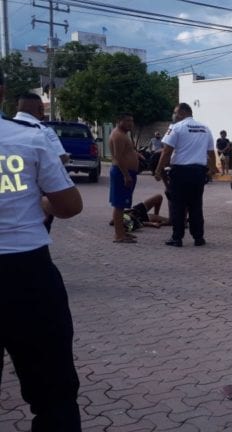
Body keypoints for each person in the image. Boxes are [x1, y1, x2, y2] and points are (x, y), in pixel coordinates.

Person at [1, 65, 85, 431]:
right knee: (53, 394)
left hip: (28, 272)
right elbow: (69, 206)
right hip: (27, 275)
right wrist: (42, 203)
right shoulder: (28, 138)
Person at [154, 102, 216, 247]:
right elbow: (211, 153)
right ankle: (198, 238)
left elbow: (166, 151)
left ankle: (177, 238)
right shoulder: (205, 128)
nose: (174, 115)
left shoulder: (176, 128)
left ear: (181, 113)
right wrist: (212, 169)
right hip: (198, 173)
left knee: (178, 206)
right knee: (196, 206)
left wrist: (158, 170)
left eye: (175, 112)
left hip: (180, 172)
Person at [15, 92, 70, 232]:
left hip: (11, 190)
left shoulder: (7, 128)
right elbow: (60, 158)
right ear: (40, 109)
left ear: (18, 108)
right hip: (37, 193)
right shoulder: (43, 131)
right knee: (40, 229)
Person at [109, 113, 139, 243]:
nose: (130, 124)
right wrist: (126, 175)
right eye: (127, 121)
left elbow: (126, 152)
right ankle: (119, 235)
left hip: (127, 172)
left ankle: (122, 232)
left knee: (123, 204)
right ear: (119, 121)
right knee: (119, 205)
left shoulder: (123, 135)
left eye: (131, 121)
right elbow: (118, 157)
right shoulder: (118, 136)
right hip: (122, 173)